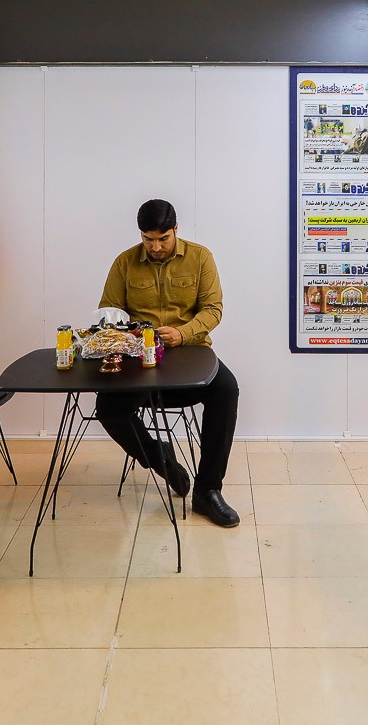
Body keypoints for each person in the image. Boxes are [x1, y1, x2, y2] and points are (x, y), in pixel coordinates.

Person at [95, 199, 241, 528]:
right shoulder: (124, 263)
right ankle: (160, 458)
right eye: (148, 239)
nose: (156, 247)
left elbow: (213, 309)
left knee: (226, 389)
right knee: (108, 408)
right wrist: (130, 335)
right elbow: (109, 312)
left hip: (190, 351)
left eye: (163, 238)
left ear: (176, 229)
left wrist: (182, 333)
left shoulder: (200, 257)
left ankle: (208, 491)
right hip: (140, 358)